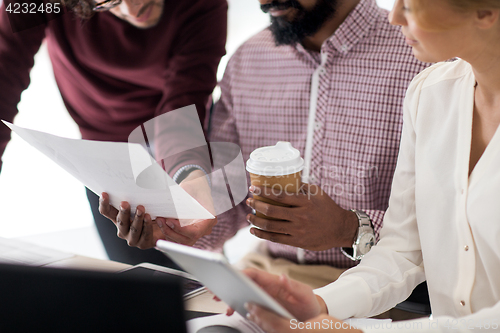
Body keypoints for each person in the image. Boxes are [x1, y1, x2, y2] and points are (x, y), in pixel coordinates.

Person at [103, 0, 431, 319]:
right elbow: (228, 201)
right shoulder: (247, 60)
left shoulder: (425, 58)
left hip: (383, 294)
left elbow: (448, 224)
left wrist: (350, 229)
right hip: (261, 281)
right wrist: (181, 226)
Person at [236, 0, 500, 331]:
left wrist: (344, 330)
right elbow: (404, 251)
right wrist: (318, 304)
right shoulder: (430, 92)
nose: (394, 16)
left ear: (486, 12)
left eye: (411, 5)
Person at [0, 0, 226, 265]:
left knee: (196, 283)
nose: (132, 10)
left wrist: (188, 177)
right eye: (109, 2)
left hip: (174, 150)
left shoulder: (203, 4)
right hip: (104, 163)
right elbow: (5, 72)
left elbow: (181, 107)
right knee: (135, 285)